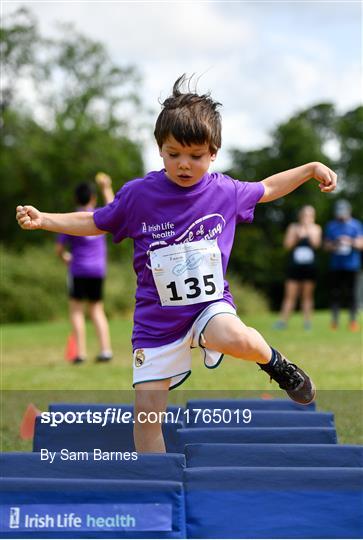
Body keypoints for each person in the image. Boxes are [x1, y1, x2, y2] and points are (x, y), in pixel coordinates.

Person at [16, 75, 337, 452]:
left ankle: (277, 365)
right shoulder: (139, 195)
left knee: (236, 337)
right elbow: (97, 221)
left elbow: (268, 188)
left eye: (195, 156)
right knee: (147, 418)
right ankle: (159, 493)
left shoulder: (225, 190)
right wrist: (46, 219)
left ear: (213, 152)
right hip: (155, 322)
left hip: (208, 306)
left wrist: (311, 167)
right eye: (173, 154)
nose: (184, 164)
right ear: (160, 150)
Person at [56, 173, 114, 363]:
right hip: (98, 271)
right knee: (97, 310)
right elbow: (115, 208)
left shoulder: (73, 219)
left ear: (75, 199)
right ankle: (105, 350)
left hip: (78, 270)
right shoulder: (100, 216)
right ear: (93, 198)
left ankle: (80, 354)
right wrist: (106, 187)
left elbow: (59, 248)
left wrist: (65, 257)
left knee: (77, 312)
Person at [275, 205, 322, 330]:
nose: (307, 217)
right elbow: (287, 245)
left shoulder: (316, 229)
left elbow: (316, 245)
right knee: (290, 295)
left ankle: (307, 323)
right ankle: (282, 322)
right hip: (294, 267)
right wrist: (297, 235)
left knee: (307, 296)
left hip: (309, 267)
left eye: (310, 215)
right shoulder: (293, 227)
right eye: (305, 215)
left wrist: (307, 231)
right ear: (301, 216)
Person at [324, 199, 363, 331]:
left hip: (352, 265)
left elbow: (360, 244)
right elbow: (326, 245)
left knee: (352, 295)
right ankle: (334, 322)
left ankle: (353, 321)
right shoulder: (331, 225)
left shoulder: (356, 225)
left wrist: (350, 241)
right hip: (336, 265)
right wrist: (336, 243)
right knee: (335, 294)